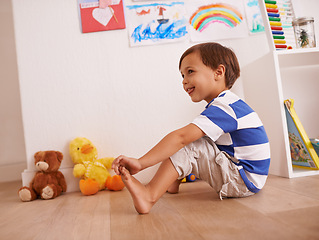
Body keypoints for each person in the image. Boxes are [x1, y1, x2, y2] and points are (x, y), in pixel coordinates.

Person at [112, 42, 270, 214]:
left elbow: (181, 138)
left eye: (190, 72)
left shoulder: (225, 107)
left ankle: (149, 195)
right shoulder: (227, 104)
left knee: (185, 141)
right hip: (246, 177)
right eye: (182, 75)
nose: (184, 81)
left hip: (242, 180)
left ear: (218, 72)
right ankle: (171, 182)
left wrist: (140, 163)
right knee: (191, 139)